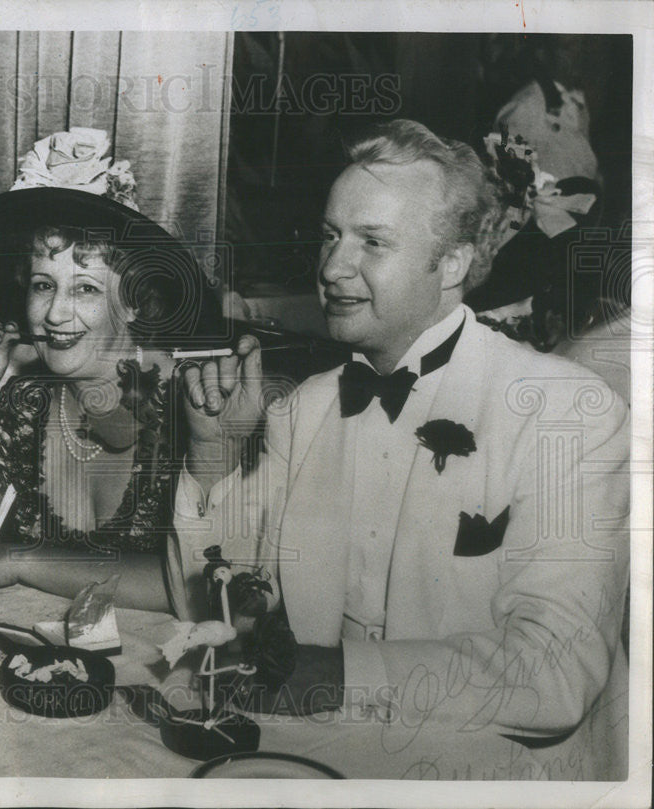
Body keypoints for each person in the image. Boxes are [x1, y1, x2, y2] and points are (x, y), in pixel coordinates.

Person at [174, 119, 630, 779]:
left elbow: (555, 671)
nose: (332, 267)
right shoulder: (304, 409)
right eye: (331, 235)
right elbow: (215, 613)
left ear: (453, 262)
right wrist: (211, 454)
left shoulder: (568, 414)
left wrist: (338, 674)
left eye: (372, 242)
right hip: (316, 764)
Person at [0, 185, 225, 611]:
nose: (56, 314)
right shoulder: (25, 406)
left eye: (85, 290)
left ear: (133, 302)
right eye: (44, 285)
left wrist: (22, 561)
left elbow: (200, 586)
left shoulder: (196, 405)